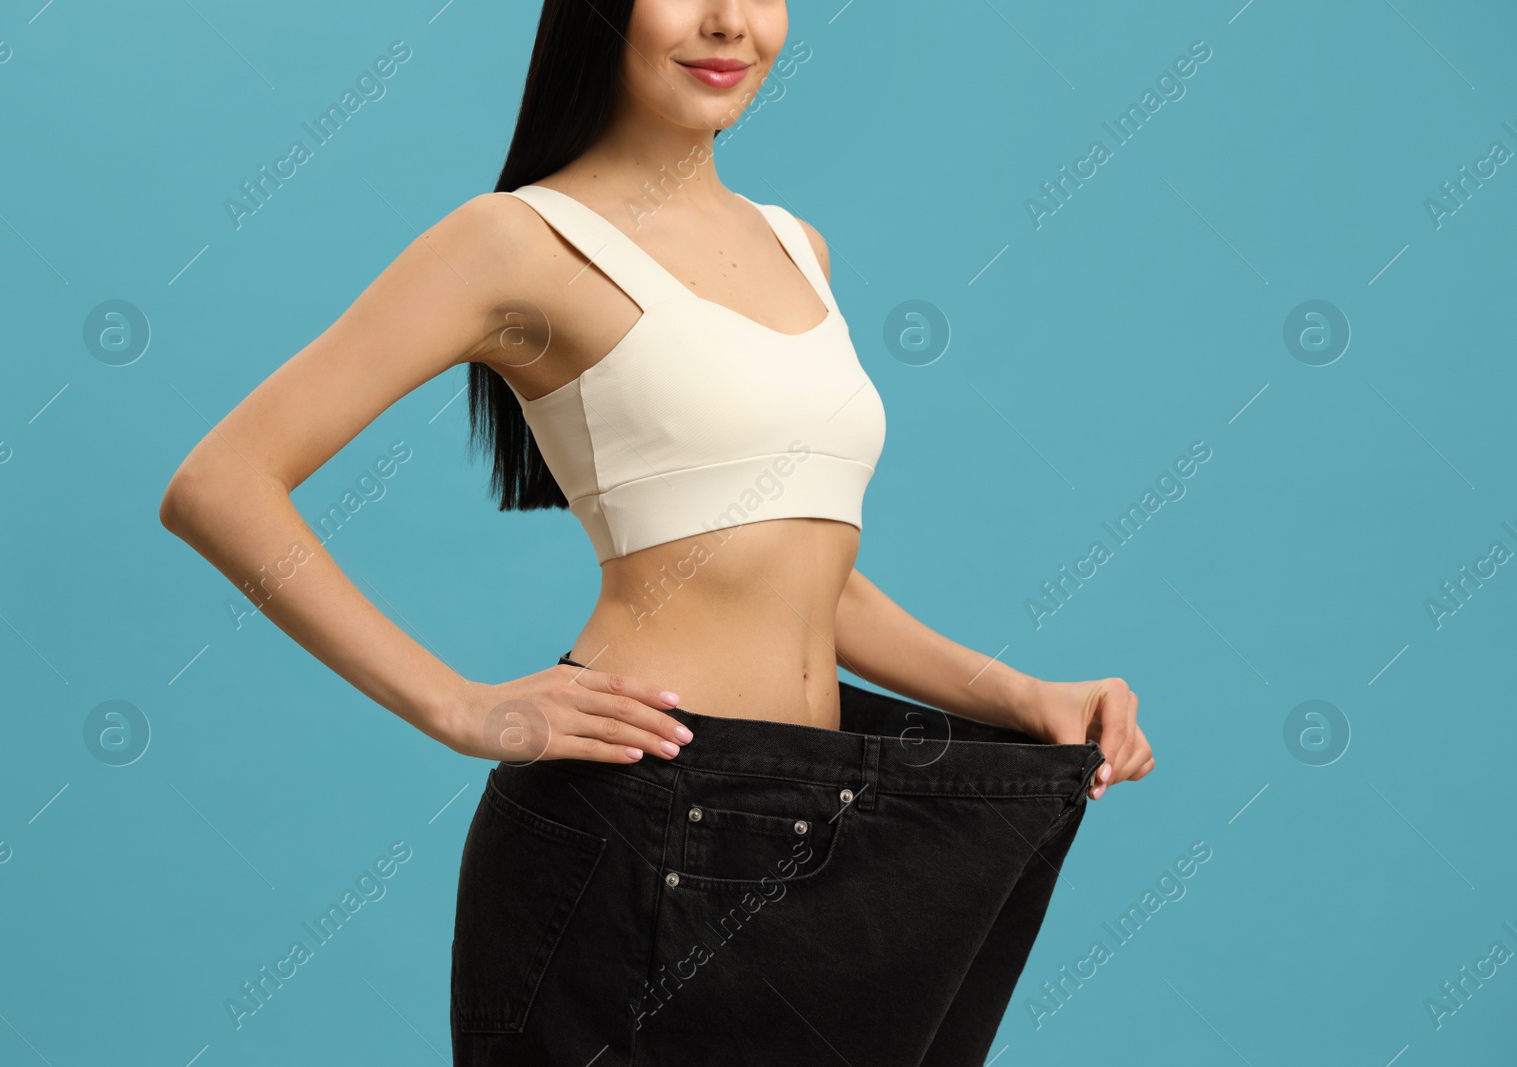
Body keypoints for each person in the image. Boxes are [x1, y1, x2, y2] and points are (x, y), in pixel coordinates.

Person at [159, 1, 1154, 1063]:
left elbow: (807, 577)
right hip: (639, 820)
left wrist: (1020, 695)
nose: (729, 22)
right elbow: (219, 482)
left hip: (817, 814)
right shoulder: (515, 241)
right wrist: (456, 705)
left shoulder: (796, 244)